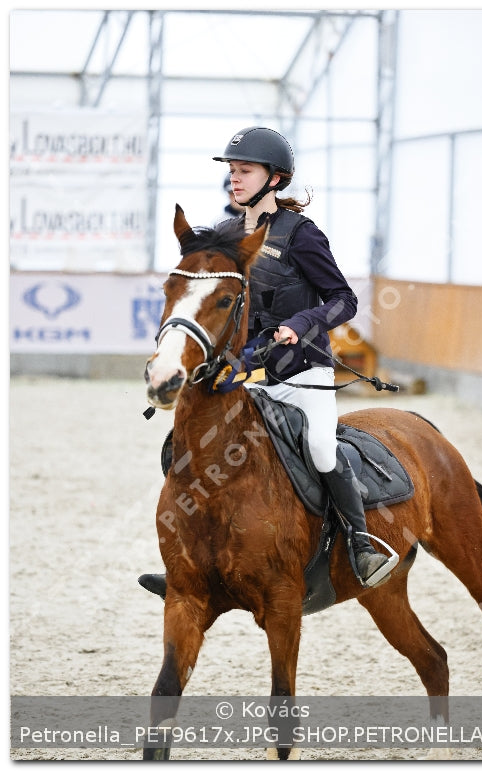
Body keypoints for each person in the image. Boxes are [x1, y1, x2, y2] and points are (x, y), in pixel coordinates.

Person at [139, 126, 393, 598]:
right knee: (186, 447)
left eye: (245, 171)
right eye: (232, 171)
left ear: (274, 179)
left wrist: (301, 323)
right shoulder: (229, 237)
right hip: (247, 373)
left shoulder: (301, 236)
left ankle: (361, 543)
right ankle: (191, 561)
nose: (235, 179)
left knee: (320, 447)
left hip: (302, 374)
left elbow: (343, 300)